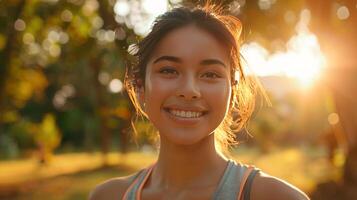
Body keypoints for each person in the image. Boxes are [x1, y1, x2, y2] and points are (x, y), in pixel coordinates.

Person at [89, 3, 309, 200]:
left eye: (210, 74)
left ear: (232, 91)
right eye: (169, 70)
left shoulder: (277, 197)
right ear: (139, 87)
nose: (189, 90)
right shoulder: (108, 196)